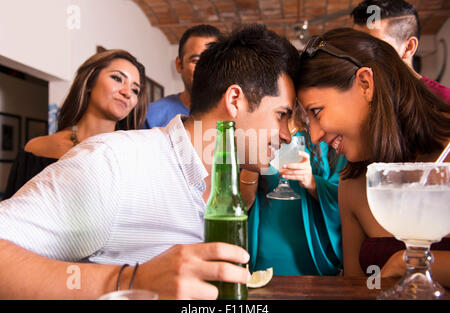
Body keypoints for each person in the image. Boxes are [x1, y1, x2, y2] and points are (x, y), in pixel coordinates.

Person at [0, 24, 300, 299]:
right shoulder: (114, 164)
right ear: (235, 100)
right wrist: (130, 281)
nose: (287, 135)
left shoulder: (225, 182)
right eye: (282, 115)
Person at [295, 28, 450, 287]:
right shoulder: (353, 180)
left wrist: (404, 262)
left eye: (317, 111)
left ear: (365, 83)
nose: (314, 135)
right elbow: (354, 286)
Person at [3, 49, 148, 200]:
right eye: (117, 78)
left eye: (135, 89)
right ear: (90, 82)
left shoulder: (133, 158)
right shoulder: (34, 150)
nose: (127, 92)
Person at [242, 108, 347, 276]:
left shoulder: (322, 131)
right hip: (264, 250)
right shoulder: (255, 128)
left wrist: (312, 183)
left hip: (313, 254)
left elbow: (346, 199)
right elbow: (242, 203)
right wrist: (252, 160)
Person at [351, 0, 450, 103]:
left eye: (374, 45)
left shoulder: (444, 101)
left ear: (409, 47)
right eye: (358, 44)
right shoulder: (358, 98)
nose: (360, 53)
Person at [142, 24, 221, 129]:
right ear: (179, 65)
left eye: (212, 61)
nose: (204, 68)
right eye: (196, 61)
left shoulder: (235, 115)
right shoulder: (152, 115)